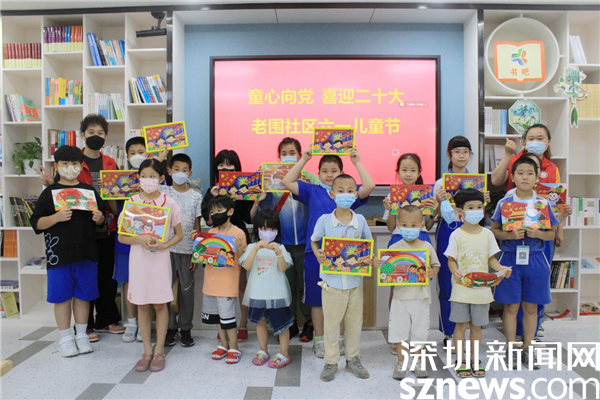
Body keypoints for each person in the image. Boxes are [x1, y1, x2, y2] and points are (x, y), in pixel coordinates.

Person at [36, 114, 123, 340]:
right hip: (76, 231)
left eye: (100, 133)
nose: (96, 136)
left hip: (103, 225)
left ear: (106, 136)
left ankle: (107, 320)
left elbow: (115, 197)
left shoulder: (110, 162)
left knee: (105, 276)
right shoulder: (73, 159)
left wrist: (108, 196)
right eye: (91, 132)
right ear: (83, 134)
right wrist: (51, 184)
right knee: (83, 279)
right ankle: (86, 327)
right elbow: (63, 188)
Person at [282, 148, 375, 358]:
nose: (329, 174)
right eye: (324, 171)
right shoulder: (312, 190)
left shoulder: (347, 192)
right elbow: (287, 181)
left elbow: (369, 186)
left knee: (341, 299)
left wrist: (357, 162)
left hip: (345, 256)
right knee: (317, 299)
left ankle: (338, 339)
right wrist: (304, 160)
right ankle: (320, 339)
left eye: (334, 170)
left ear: (342, 172)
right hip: (315, 254)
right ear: (319, 173)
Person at [30, 146, 106, 357]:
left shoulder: (89, 191)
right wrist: (55, 218)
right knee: (61, 297)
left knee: (83, 296)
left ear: (81, 166)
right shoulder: (49, 193)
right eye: (65, 164)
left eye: (74, 164)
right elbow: (36, 223)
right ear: (56, 166)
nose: (70, 167)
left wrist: (99, 217)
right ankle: (65, 338)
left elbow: (102, 218)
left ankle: (81, 336)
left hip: (86, 254)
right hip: (59, 256)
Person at [491, 156, 559, 370]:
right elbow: (494, 230)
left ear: (537, 177)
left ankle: (528, 348)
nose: (525, 177)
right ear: (512, 176)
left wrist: (539, 233)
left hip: (536, 259)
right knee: (511, 306)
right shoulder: (505, 203)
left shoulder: (543, 204)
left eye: (530, 173)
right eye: (520, 173)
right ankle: (511, 348)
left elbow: (551, 233)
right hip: (510, 259)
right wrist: (510, 235)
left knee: (531, 306)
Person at [310, 173, 378, 382]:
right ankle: (330, 362)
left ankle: (352, 360)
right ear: (332, 194)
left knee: (354, 323)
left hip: (355, 283)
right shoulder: (324, 220)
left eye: (350, 191)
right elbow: (314, 241)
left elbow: (368, 246)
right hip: (332, 283)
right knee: (331, 324)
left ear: (356, 195)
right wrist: (318, 253)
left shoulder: (360, 221)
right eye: (340, 191)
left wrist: (371, 259)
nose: (345, 195)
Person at [118, 158, 183, 373]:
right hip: (139, 262)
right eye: (144, 176)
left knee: (160, 304)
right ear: (138, 178)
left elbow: (179, 234)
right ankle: (147, 351)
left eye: (152, 176)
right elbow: (122, 237)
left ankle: (159, 351)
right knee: (142, 305)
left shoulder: (169, 203)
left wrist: (164, 245)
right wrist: (139, 239)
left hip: (159, 261)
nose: (148, 180)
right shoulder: (132, 203)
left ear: (161, 178)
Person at [444, 189, 511, 378]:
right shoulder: (456, 235)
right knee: (460, 325)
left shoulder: (487, 234)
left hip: (482, 290)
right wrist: (454, 271)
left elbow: (491, 259)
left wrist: (502, 268)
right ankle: (461, 360)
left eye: (479, 207)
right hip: (461, 290)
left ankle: (475, 359)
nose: (476, 211)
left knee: (476, 327)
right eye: (471, 207)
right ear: (460, 212)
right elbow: (451, 260)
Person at [433, 136, 490, 351]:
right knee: (448, 282)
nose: (461, 155)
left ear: (470, 155)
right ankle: (450, 333)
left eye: (465, 151)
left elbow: (479, 211)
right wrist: (439, 202)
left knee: (474, 275)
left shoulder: (478, 182)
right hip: (448, 230)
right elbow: (433, 215)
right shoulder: (440, 183)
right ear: (449, 155)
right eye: (457, 151)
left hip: (473, 232)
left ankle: (473, 328)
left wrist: (485, 200)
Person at [259, 138, 320, 341]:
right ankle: (290, 323)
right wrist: (264, 191)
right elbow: (267, 209)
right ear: (279, 156)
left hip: (307, 243)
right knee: (287, 284)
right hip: (283, 244)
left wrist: (310, 186)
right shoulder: (271, 177)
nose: (288, 156)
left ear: (300, 154)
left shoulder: (310, 177)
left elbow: (321, 201)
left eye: (292, 152)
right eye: (284, 153)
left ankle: (309, 322)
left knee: (306, 284)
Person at [201, 149, 259, 342]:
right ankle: (224, 324)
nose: (225, 168)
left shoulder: (242, 189)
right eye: (221, 164)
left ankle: (242, 324)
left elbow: (248, 218)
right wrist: (213, 198)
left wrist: (256, 202)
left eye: (229, 164)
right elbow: (209, 221)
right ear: (216, 168)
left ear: (237, 168)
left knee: (240, 284)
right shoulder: (211, 191)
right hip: (216, 242)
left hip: (238, 239)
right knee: (219, 284)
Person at [115, 136, 167, 343]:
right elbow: (120, 227)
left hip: (157, 248)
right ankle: (132, 324)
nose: (137, 156)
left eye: (141, 152)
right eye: (132, 153)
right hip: (132, 242)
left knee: (155, 289)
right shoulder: (123, 185)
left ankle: (149, 332)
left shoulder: (162, 190)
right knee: (130, 283)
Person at [387, 205, 440, 380]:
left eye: (414, 225)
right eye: (404, 225)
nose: (409, 229)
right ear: (398, 224)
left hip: (421, 298)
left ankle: (417, 363)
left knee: (419, 332)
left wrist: (432, 271)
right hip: (400, 298)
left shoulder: (427, 246)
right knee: (399, 331)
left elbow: (436, 265)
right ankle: (401, 363)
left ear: (422, 225)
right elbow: (386, 270)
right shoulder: (394, 247)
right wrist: (381, 265)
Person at [240, 209, 294, 369]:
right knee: (260, 322)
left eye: (272, 229)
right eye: (264, 228)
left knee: (282, 325)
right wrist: (255, 249)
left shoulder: (281, 247)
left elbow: (283, 268)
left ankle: (284, 354)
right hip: (257, 292)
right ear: (257, 229)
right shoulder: (252, 247)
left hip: (277, 293)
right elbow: (246, 266)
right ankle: (263, 351)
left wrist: (279, 253)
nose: (268, 232)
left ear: (277, 231)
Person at [162, 153, 203, 348]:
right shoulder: (163, 192)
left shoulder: (196, 196)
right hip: (165, 249)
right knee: (166, 289)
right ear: (169, 171)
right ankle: (170, 328)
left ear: (190, 173)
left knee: (187, 291)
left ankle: (186, 328)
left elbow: (197, 225)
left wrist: (197, 253)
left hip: (188, 250)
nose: (180, 173)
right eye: (176, 169)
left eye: (184, 170)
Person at [201, 195, 246, 364]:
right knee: (216, 317)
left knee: (228, 318)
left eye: (219, 210)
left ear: (230, 211)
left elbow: (243, 259)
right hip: (210, 283)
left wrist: (239, 246)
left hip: (227, 284)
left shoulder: (238, 232)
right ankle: (224, 344)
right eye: (212, 212)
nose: (215, 214)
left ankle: (234, 346)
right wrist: (198, 243)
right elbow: (204, 256)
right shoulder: (211, 233)